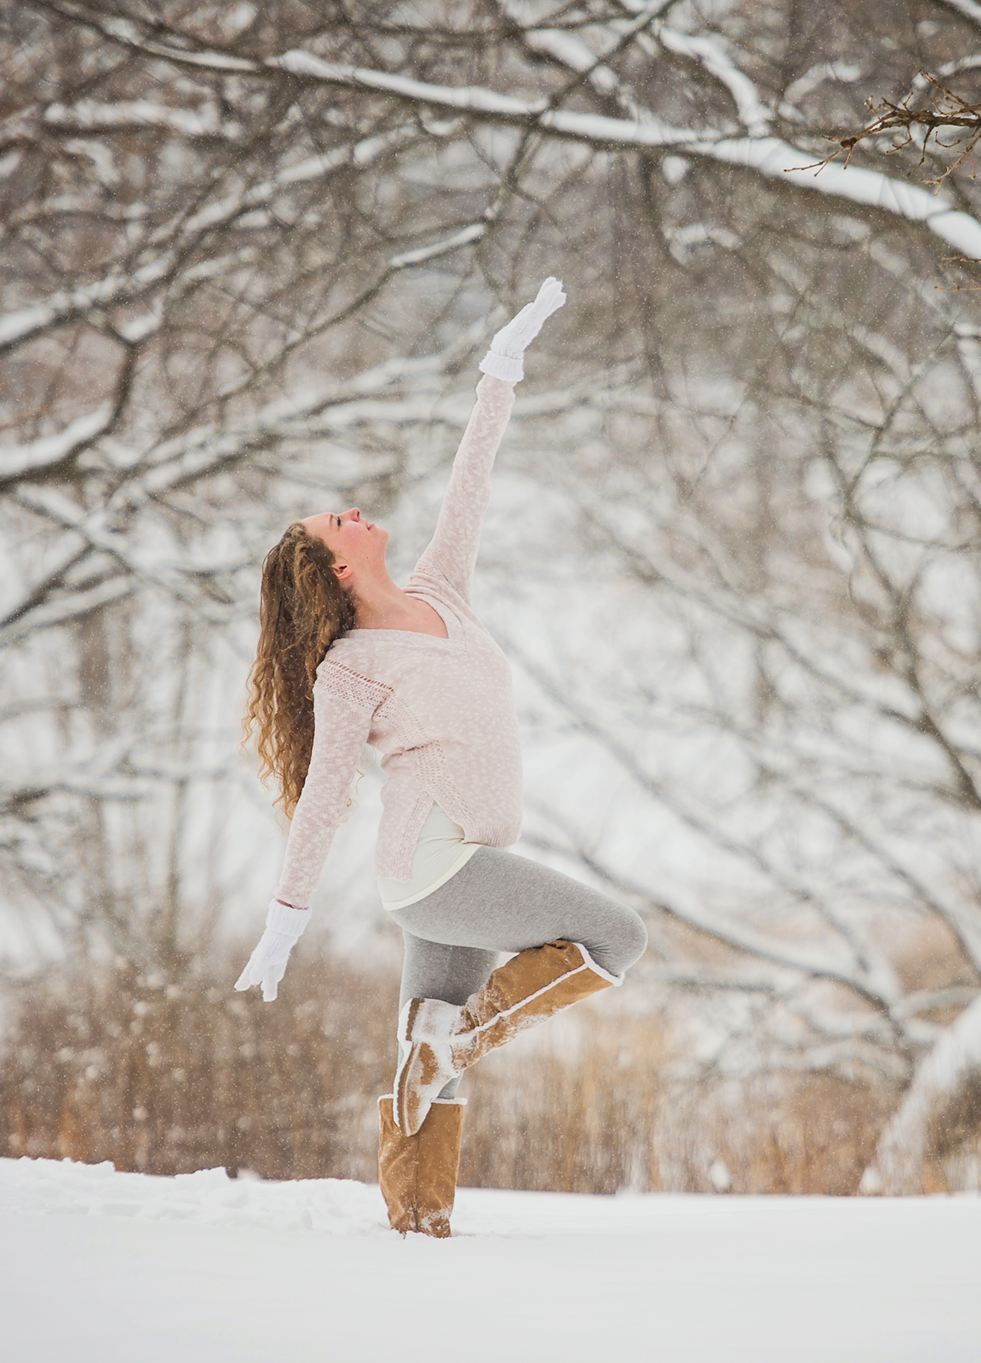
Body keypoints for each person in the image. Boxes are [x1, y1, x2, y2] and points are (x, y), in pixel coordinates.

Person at [235, 278, 647, 1238]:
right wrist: (284, 924)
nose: (348, 510)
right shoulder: (349, 669)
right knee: (614, 937)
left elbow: (475, 475)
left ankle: (415, 1220)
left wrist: (499, 367)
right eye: (333, 523)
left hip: (453, 866)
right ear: (338, 568)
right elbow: (323, 800)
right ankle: (455, 1044)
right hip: (437, 866)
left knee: (425, 1037)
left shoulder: (441, 590)